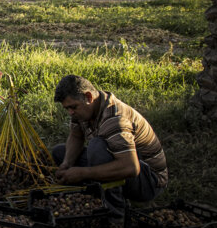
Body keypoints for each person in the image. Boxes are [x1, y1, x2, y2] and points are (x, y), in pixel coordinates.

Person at [52, 75, 167, 214]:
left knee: (97, 148)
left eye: (73, 107)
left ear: (88, 97)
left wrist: (83, 173)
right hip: (121, 161)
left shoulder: (114, 119)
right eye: (67, 109)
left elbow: (131, 168)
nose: (70, 113)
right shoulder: (83, 111)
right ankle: (95, 190)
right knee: (59, 152)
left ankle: (114, 212)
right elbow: (76, 136)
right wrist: (67, 164)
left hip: (148, 181)